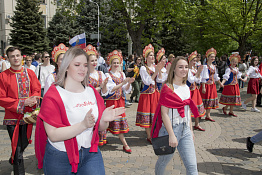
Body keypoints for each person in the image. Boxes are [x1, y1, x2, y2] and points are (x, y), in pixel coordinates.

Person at [35, 47, 125, 174]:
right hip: (60, 156)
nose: (82, 69)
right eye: (77, 65)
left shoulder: (92, 92)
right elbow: (53, 134)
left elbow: (99, 127)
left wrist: (105, 120)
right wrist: (82, 125)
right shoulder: (54, 94)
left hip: (90, 153)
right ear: (66, 67)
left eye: (85, 65)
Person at [151, 56, 199, 175]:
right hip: (171, 130)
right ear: (174, 69)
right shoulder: (167, 88)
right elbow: (164, 113)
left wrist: (191, 130)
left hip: (185, 129)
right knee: (163, 161)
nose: (184, 69)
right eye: (180, 67)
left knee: (192, 166)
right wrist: (172, 135)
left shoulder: (187, 88)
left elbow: (187, 111)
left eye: (186, 67)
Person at [0, 46, 41, 174]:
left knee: (23, 144)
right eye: (12, 56)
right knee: (17, 149)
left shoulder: (30, 73)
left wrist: (33, 98)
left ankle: (13, 158)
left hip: (28, 117)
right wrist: (22, 102)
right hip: (12, 117)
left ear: (21, 56)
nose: (15, 58)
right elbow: (1, 98)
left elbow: (36, 89)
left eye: (17, 55)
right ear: (8, 58)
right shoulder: (3, 76)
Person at [104, 50, 135, 153]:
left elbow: (126, 90)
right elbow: (111, 89)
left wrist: (129, 83)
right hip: (112, 102)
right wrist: (123, 83)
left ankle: (125, 144)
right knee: (106, 122)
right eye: (114, 63)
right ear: (110, 63)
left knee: (119, 124)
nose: (116, 64)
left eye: (117, 63)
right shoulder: (107, 75)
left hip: (120, 101)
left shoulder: (121, 74)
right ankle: (100, 139)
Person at [135, 44, 166, 144]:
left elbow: (161, 80)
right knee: (148, 116)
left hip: (156, 94)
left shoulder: (156, 67)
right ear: (146, 58)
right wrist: (156, 71)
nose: (153, 57)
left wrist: (159, 70)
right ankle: (149, 136)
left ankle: (154, 133)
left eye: (153, 55)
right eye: (151, 55)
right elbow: (148, 81)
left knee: (155, 115)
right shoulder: (143, 68)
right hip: (147, 95)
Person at [84, 44, 109, 146]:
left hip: (99, 101)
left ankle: (98, 141)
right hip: (88, 102)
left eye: (95, 60)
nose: (94, 63)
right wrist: (100, 87)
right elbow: (85, 91)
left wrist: (104, 86)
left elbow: (105, 92)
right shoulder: (84, 75)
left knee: (99, 120)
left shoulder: (100, 73)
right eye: (92, 61)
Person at [200, 48, 223, 122]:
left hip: (212, 85)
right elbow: (203, 78)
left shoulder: (213, 66)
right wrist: (203, 87)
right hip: (206, 85)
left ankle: (208, 115)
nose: (212, 58)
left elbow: (216, 76)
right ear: (208, 57)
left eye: (213, 57)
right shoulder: (205, 66)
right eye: (211, 57)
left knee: (210, 100)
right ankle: (201, 113)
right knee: (204, 100)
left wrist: (220, 83)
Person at [187, 51, 206, 131]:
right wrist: (198, 73)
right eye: (193, 61)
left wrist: (198, 74)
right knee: (190, 108)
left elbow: (198, 80)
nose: (195, 62)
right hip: (189, 91)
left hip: (195, 90)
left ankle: (197, 124)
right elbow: (191, 80)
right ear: (189, 61)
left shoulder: (194, 69)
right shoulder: (187, 70)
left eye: (195, 61)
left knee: (197, 106)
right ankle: (189, 125)